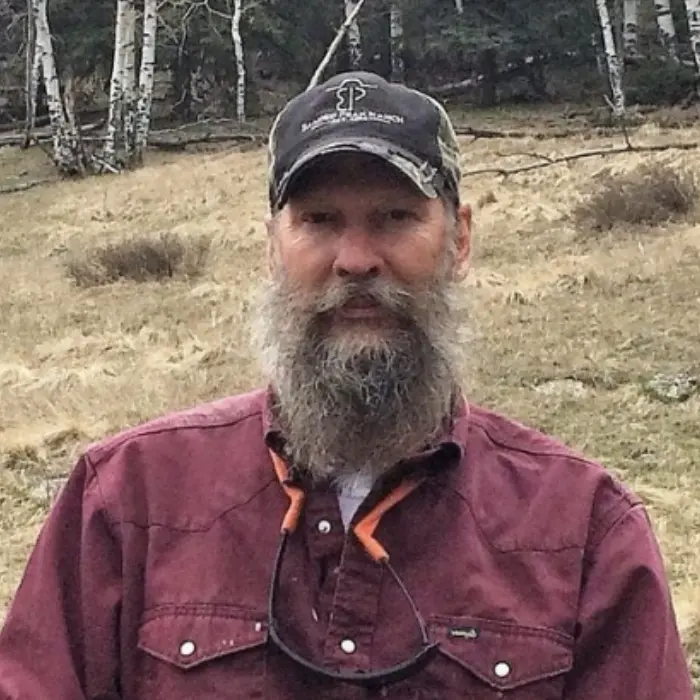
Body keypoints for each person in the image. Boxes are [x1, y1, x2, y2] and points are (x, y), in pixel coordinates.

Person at [0, 70, 693, 700]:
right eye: (319, 220)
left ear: (459, 241)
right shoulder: (126, 502)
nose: (356, 260)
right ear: (274, 244)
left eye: (395, 217)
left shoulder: (583, 531)